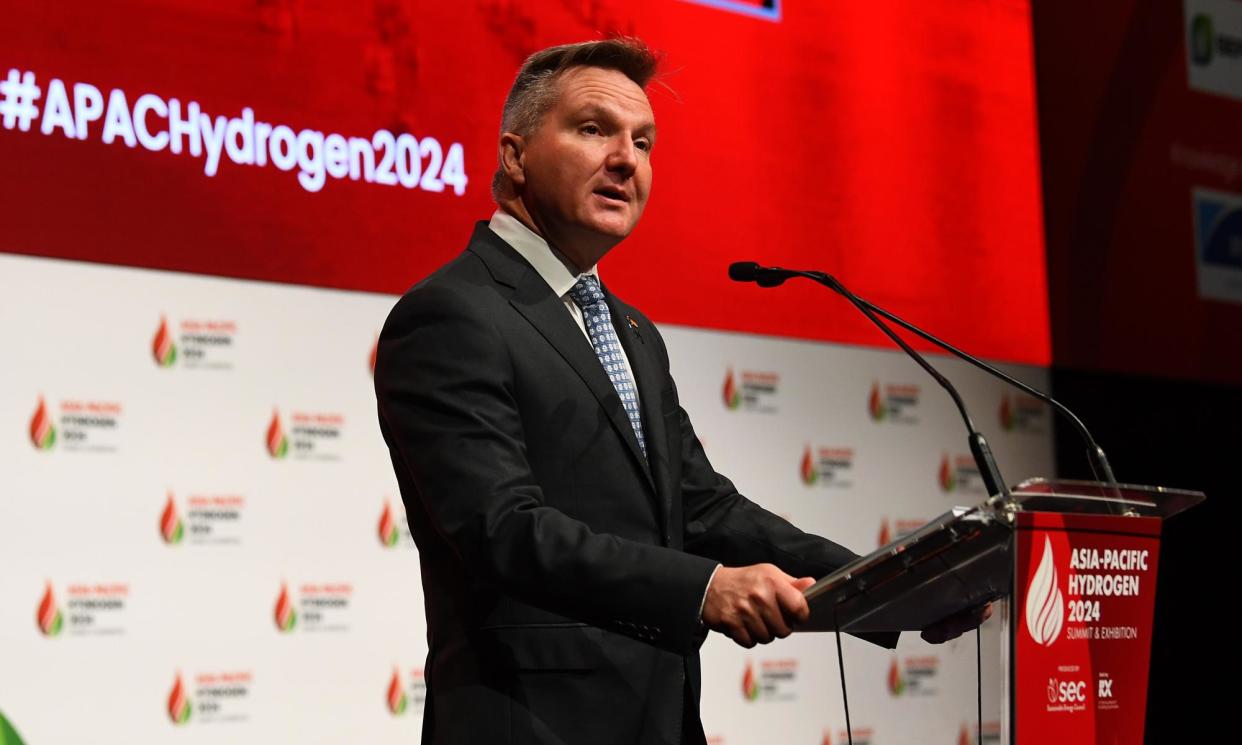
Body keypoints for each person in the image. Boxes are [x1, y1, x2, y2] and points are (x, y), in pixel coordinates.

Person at [374, 37, 982, 745]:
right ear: (515, 156)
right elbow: (503, 529)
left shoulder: (630, 329)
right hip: (528, 724)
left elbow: (699, 506)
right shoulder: (452, 313)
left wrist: (885, 589)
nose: (627, 158)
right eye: (593, 128)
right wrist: (703, 588)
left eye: (643, 140)